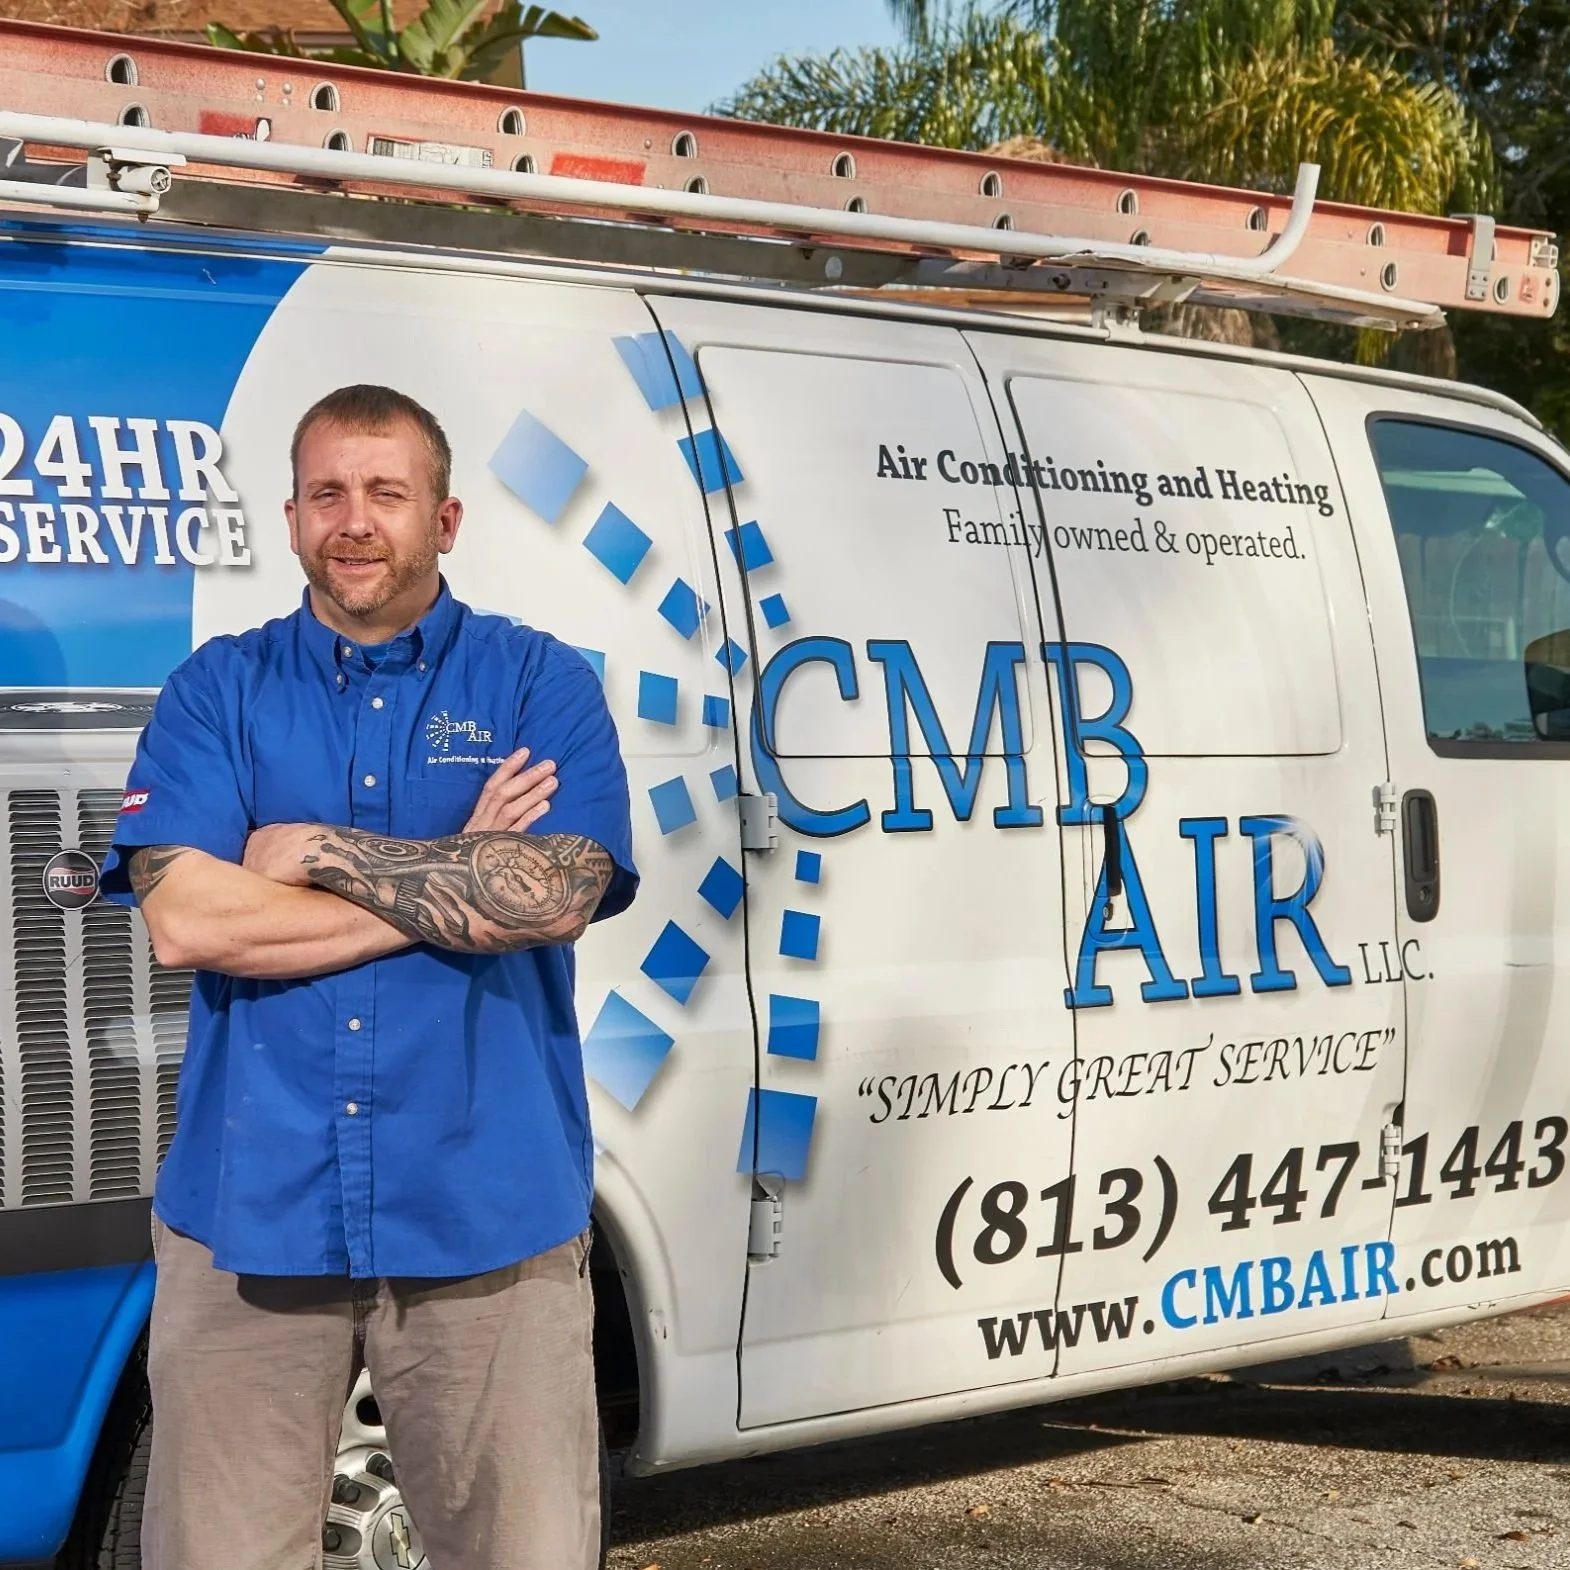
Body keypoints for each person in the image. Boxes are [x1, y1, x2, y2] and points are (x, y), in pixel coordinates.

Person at [100, 383, 638, 1570]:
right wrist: (461, 879)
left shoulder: (538, 682)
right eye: (329, 493)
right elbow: (186, 920)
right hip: (251, 1216)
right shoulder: (216, 689)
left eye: (387, 493)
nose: (357, 520)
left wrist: (317, 859)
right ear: (290, 517)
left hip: (488, 1215)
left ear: (443, 520)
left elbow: (558, 890)